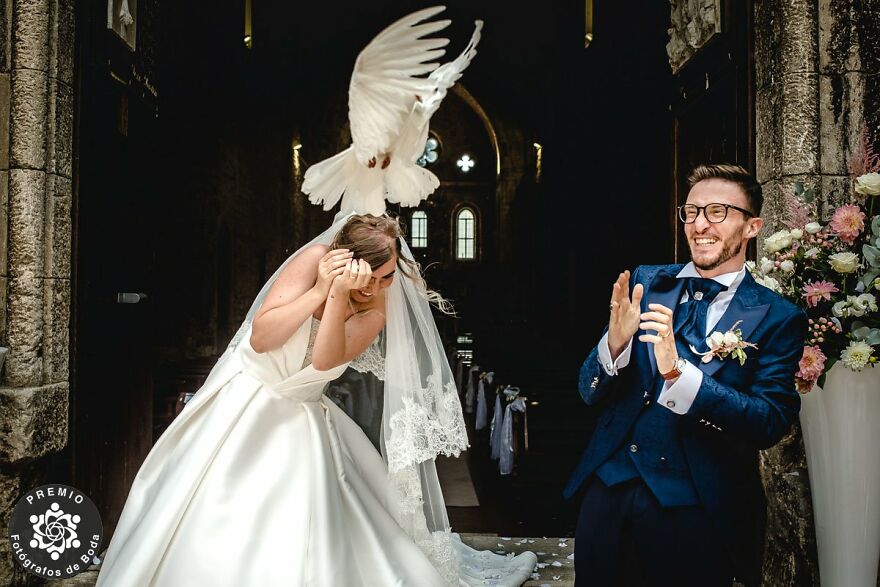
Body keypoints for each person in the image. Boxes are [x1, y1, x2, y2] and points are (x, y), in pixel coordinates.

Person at [96, 213, 537, 586]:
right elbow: (263, 337)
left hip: (303, 407)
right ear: (348, 260)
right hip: (246, 396)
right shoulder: (312, 260)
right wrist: (320, 290)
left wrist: (343, 296)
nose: (380, 287)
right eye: (374, 276)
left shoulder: (376, 308)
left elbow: (326, 361)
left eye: (387, 277)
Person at [564, 164, 807, 586]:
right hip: (608, 492)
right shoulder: (646, 282)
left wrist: (681, 376)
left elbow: (769, 421)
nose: (699, 225)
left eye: (717, 212)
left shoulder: (777, 316)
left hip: (699, 506)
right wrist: (613, 346)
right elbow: (589, 392)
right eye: (691, 212)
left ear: (752, 227)